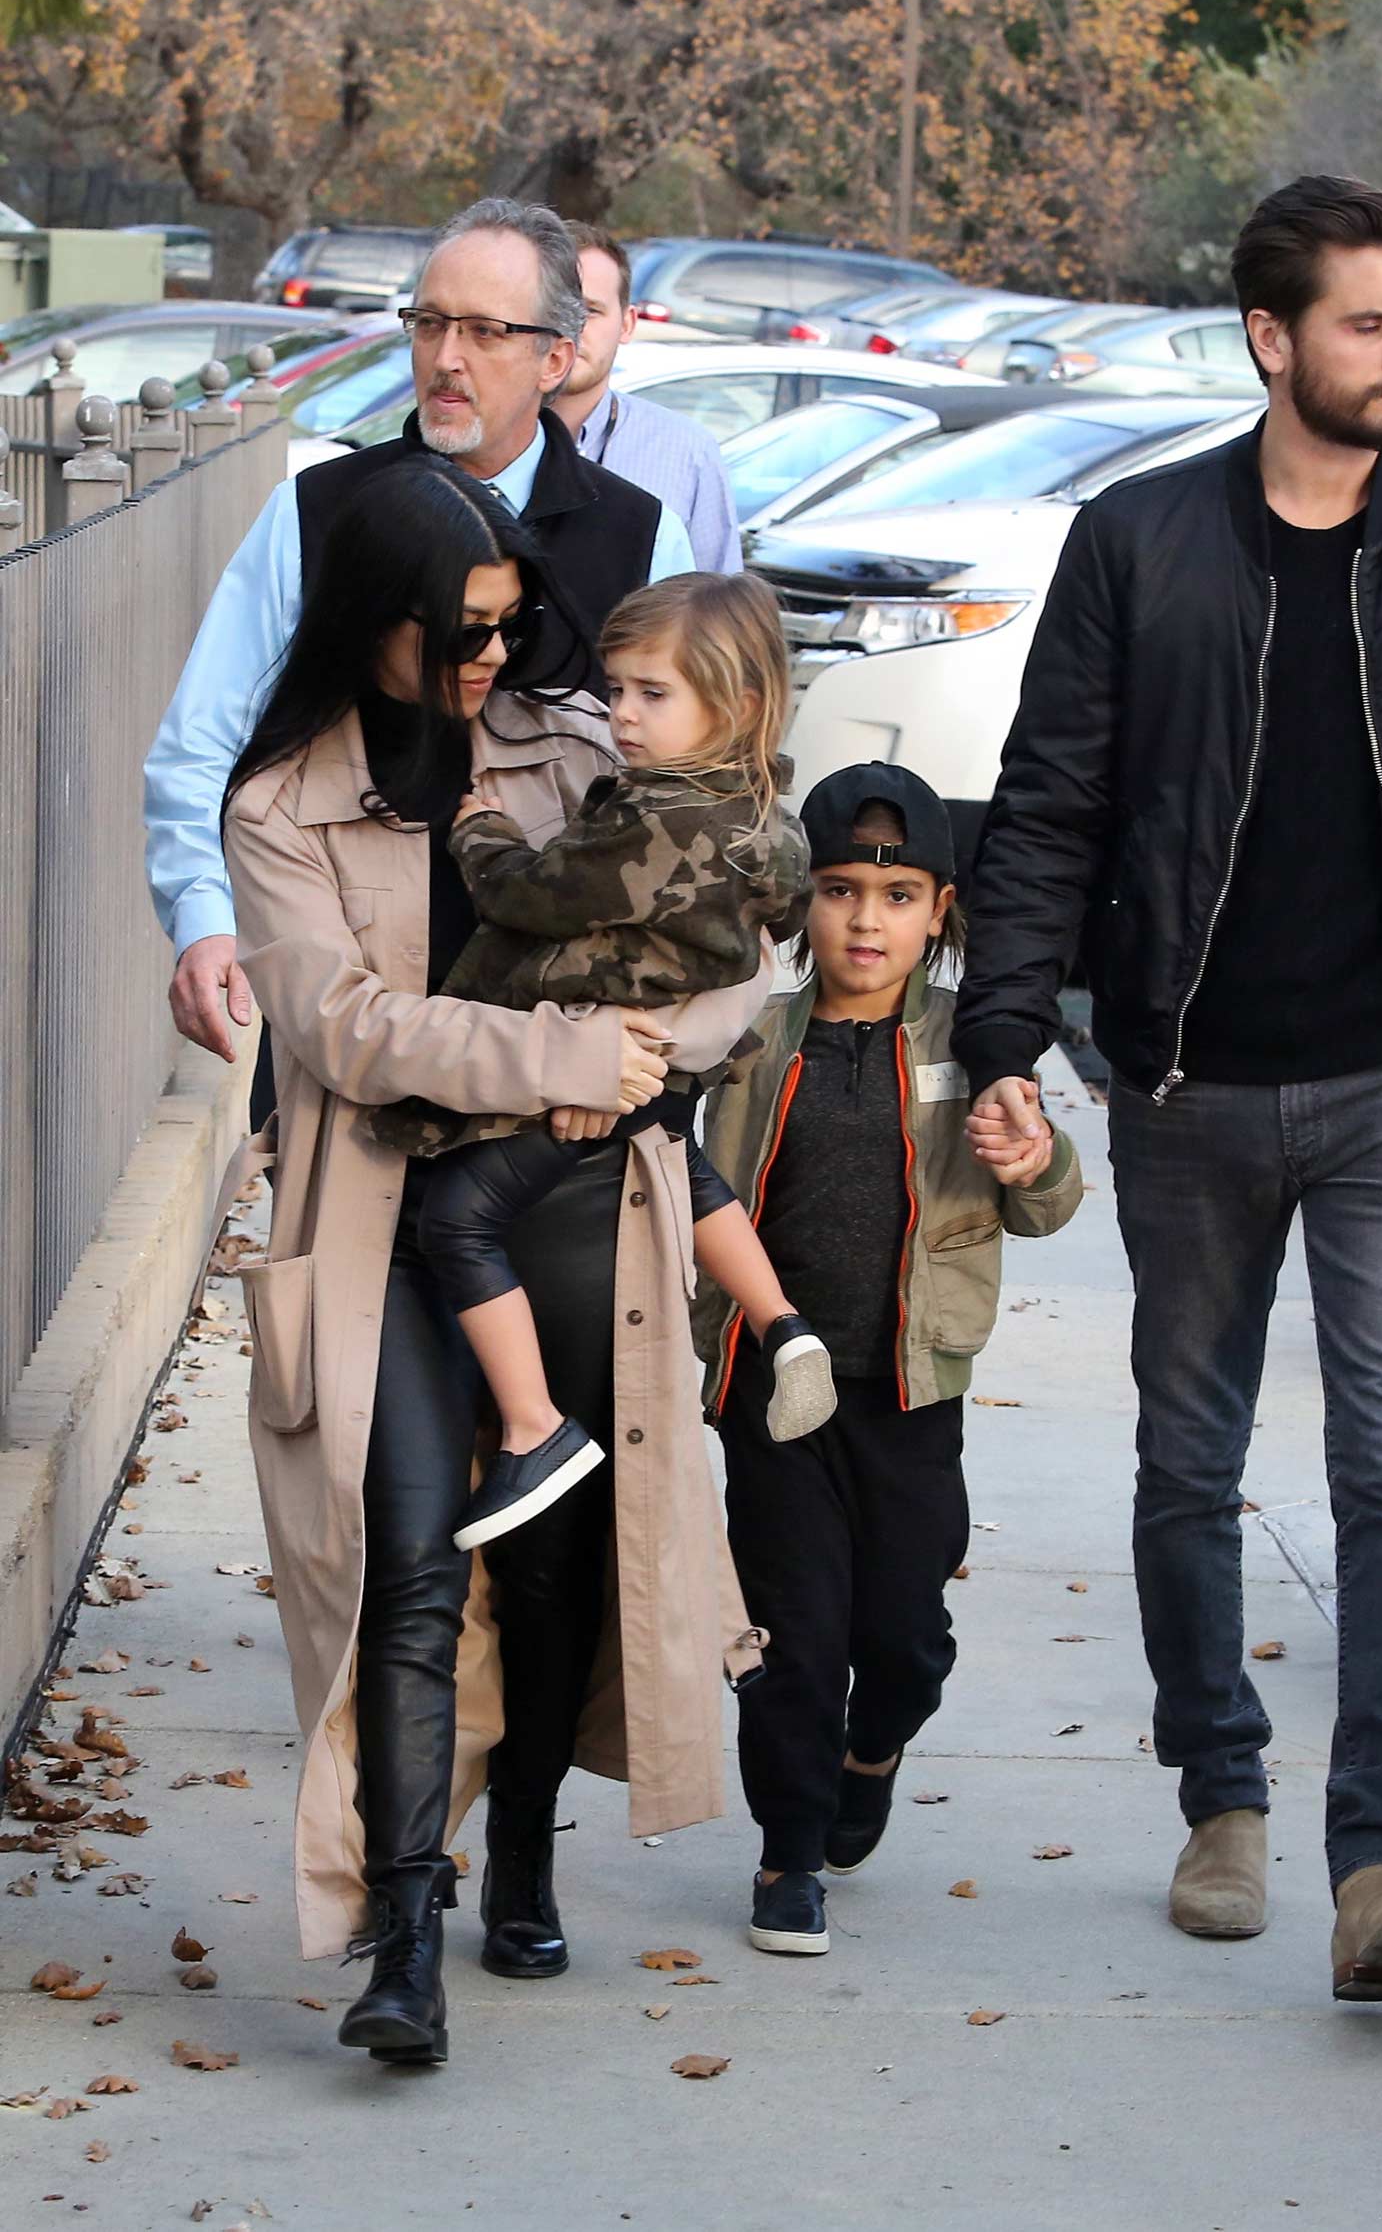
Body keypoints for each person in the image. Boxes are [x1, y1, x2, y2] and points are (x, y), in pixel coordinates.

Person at [951, 175, 1382, 2004]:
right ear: (1273, 336)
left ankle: (1377, 1855)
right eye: (1372, 326)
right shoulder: (1140, 540)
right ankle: (1221, 1792)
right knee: (1191, 1456)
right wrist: (998, 1039)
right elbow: (1051, 805)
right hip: (1186, 1076)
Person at [219, 459, 769, 2065]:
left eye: (506, 628)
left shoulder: (578, 743)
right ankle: (406, 1933)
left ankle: (519, 1846)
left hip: (568, 1212)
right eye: (459, 634)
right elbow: (343, 1030)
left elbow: (733, 951)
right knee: (408, 1566)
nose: (489, 662)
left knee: (550, 1571)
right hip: (378, 1221)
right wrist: (572, 1054)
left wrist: (645, 1051)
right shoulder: (279, 807)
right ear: (369, 623)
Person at [147, 196, 695, 1092]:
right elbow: (206, 736)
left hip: (569, 1046)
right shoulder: (314, 513)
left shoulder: (640, 539)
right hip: (358, 1019)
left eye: (485, 332)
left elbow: (687, 789)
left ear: (555, 357)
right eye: (430, 323)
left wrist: (628, 1052)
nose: (446, 358)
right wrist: (205, 916)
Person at [693, 762, 1085, 1956]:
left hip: (915, 1388)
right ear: (801, 904)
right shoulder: (751, 1039)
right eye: (843, 890)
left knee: (904, 1640)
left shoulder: (977, 1041)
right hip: (775, 1384)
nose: (868, 921)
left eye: (900, 893)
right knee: (797, 1633)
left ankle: (875, 1747)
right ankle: (788, 1854)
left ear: (940, 907)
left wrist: (1033, 1160)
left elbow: (1050, 1204)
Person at [368, 571, 835, 1553]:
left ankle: (534, 1428)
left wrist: (477, 827)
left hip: (589, 1053)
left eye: (651, 693)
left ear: (739, 701)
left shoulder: (659, 822)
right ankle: (784, 1323)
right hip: (654, 1071)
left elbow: (533, 894)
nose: (620, 712)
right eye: (616, 687)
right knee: (692, 1172)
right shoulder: (753, 814)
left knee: (458, 1217)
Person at [558, 222, 743, 574]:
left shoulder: (687, 453)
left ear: (627, 324)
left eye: (590, 311)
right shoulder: (481, 443)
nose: (571, 328)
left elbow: (717, 610)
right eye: (554, 309)